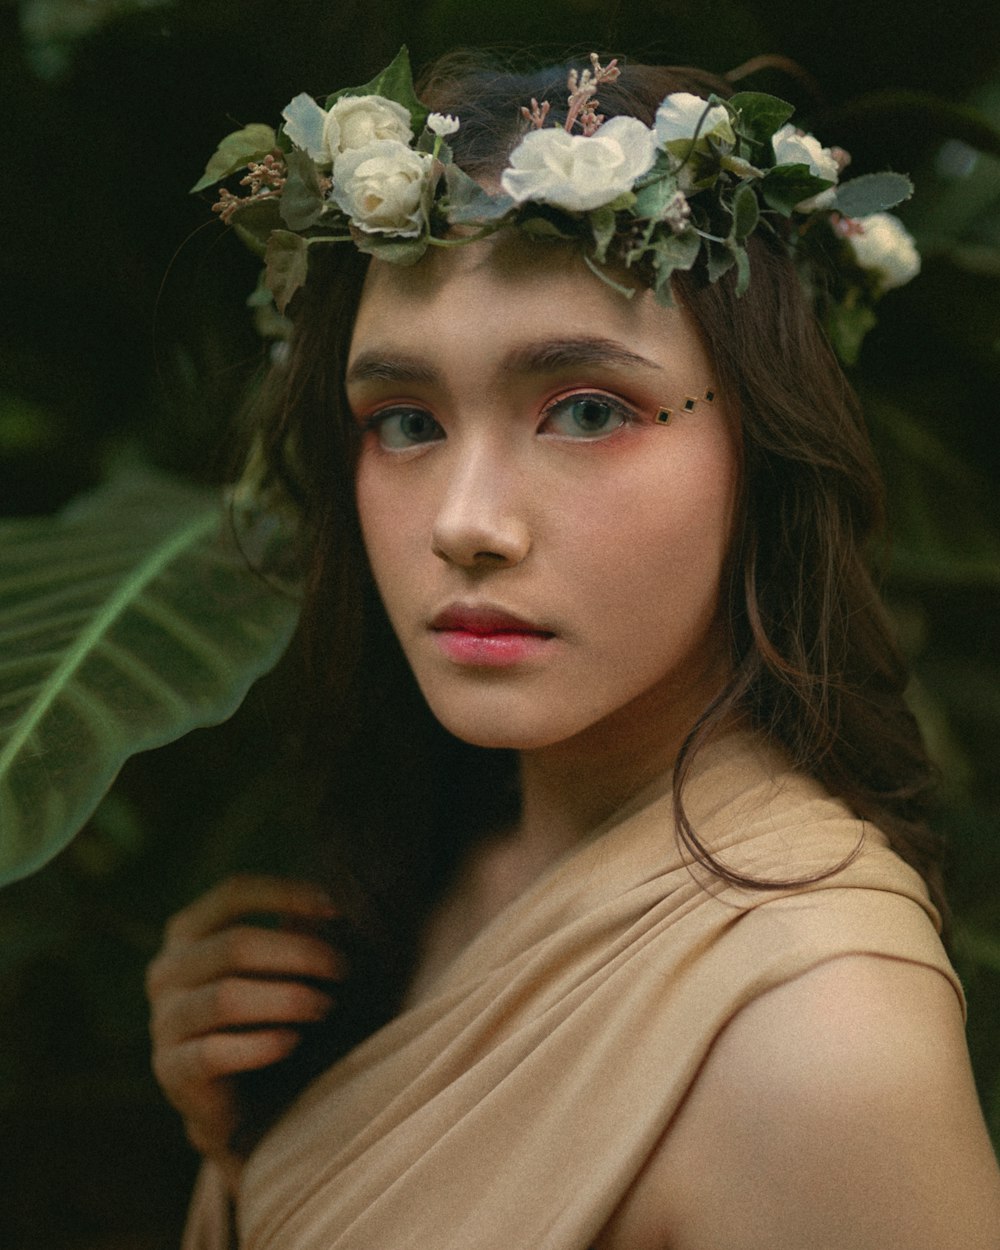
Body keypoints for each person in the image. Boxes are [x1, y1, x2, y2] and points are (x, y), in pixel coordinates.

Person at [146, 50, 1000, 1248]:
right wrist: (252, 1131)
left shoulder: (823, 1042)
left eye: (587, 410)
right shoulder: (438, 858)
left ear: (767, 449)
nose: (464, 521)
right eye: (404, 421)